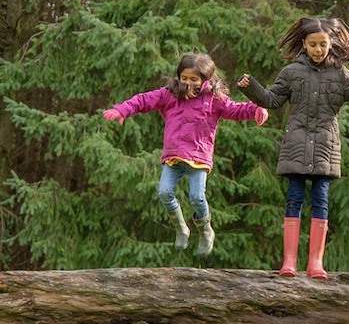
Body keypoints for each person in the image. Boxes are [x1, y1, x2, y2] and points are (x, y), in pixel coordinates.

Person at [238, 17, 349, 279]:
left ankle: (315, 264)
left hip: (325, 148)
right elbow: (272, 100)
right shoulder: (291, 72)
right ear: (304, 45)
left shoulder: (341, 75)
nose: (318, 49)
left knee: (321, 201)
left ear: (331, 44)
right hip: (296, 145)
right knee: (294, 199)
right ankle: (289, 262)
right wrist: (251, 87)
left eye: (323, 44)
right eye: (313, 44)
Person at [103, 53, 269, 256]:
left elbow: (235, 109)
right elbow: (144, 100)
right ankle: (181, 227)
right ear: (179, 76)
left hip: (198, 157)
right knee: (164, 192)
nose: (188, 83)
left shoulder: (214, 99)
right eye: (184, 78)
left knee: (197, 197)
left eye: (194, 79)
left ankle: (206, 230)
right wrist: (123, 110)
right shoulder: (169, 94)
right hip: (174, 156)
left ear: (204, 80)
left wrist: (256, 110)